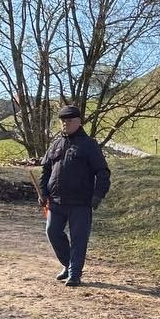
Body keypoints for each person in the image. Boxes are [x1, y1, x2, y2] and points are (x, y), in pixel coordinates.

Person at [39, 104, 111, 288]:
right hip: (56, 201)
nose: (65, 124)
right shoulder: (56, 144)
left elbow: (102, 172)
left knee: (79, 239)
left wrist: (98, 195)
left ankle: (75, 273)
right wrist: (43, 192)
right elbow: (46, 169)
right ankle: (68, 264)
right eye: (63, 120)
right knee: (52, 232)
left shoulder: (89, 145)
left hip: (81, 202)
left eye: (69, 120)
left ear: (79, 122)